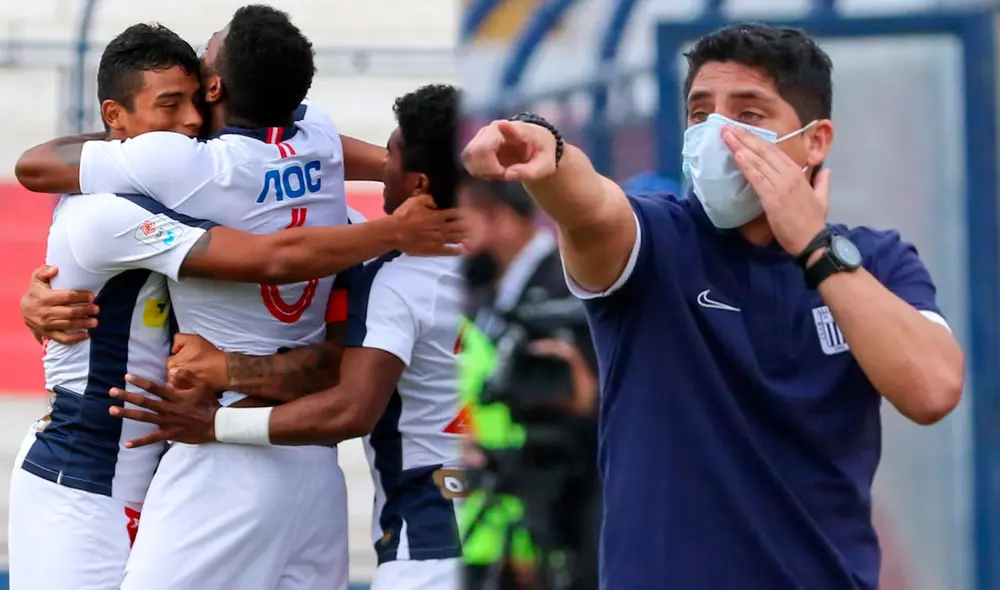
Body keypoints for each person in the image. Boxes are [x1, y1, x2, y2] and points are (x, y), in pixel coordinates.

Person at [461, 23, 964, 590]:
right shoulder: (658, 240)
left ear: (815, 140)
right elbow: (592, 206)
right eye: (701, 115)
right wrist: (548, 151)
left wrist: (814, 248)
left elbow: (932, 390)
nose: (717, 135)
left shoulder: (875, 259)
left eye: (748, 116)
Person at [13, 7, 462, 590]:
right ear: (115, 117)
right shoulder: (320, 153)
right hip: (110, 469)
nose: (191, 117)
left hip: (213, 450)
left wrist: (403, 214)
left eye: (196, 96)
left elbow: (35, 165)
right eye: (171, 105)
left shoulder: (186, 167)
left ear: (218, 87)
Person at [107, 84, 467, 590]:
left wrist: (218, 417)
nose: (378, 165)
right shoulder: (532, 264)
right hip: (520, 541)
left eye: (389, 155)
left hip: (426, 548)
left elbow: (349, 407)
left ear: (419, 182)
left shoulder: (391, 276)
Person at [458, 178, 599, 590]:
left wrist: (585, 395)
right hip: (509, 474)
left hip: (573, 492)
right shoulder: (485, 291)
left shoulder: (568, 281)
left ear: (498, 219)